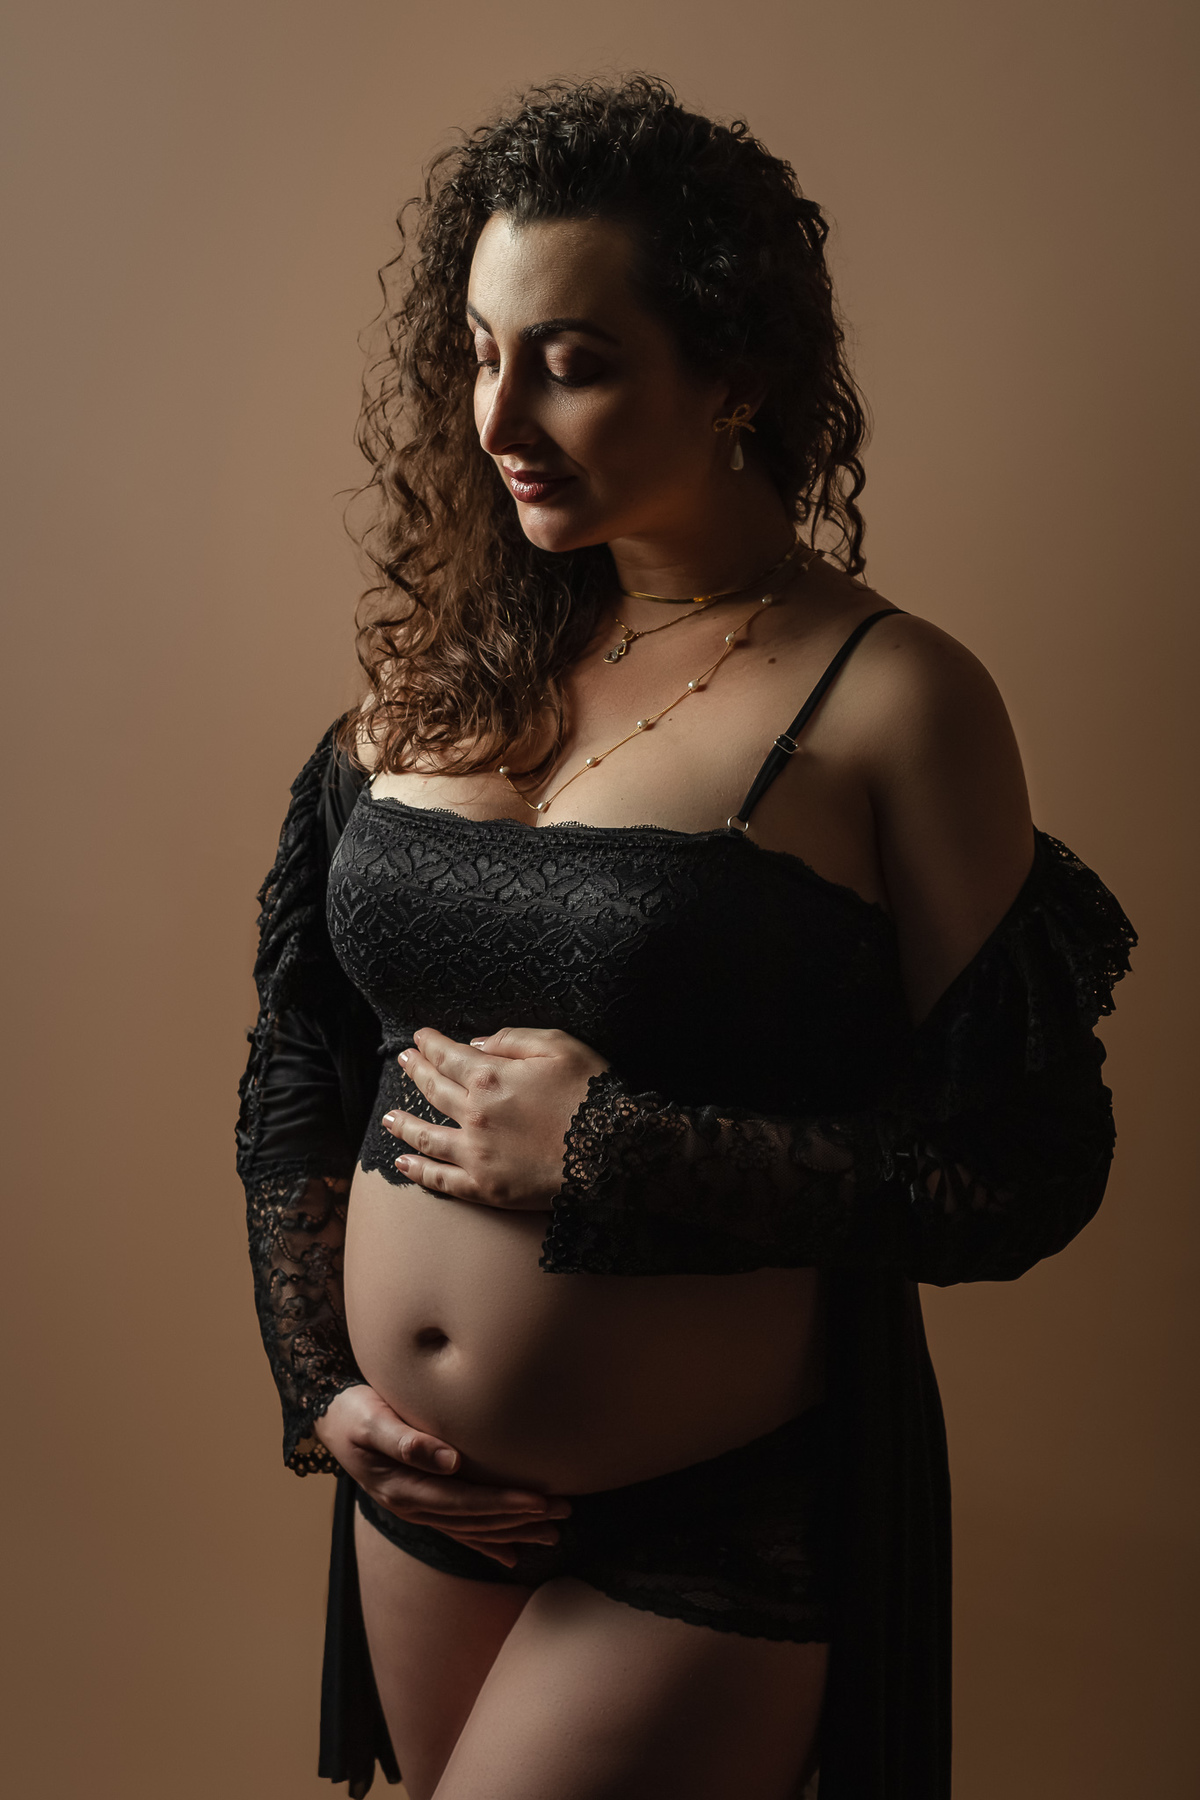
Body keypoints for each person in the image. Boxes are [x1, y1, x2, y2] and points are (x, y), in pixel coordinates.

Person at [236, 78, 1136, 1800]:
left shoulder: (892, 698)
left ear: (736, 376)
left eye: (571, 361)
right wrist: (322, 1389)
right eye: (481, 353)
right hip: (421, 1496)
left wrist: (617, 1148)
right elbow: (303, 1052)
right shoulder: (438, 667)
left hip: (715, 1524)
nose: (502, 416)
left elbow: (1026, 1167)